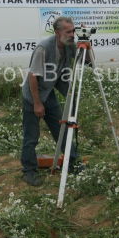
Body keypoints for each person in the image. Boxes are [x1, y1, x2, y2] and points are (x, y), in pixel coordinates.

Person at [21, 16, 81, 186]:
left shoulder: (69, 46)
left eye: (73, 31)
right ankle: (28, 171)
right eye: (68, 31)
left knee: (60, 128)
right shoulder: (44, 48)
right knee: (31, 136)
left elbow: (87, 61)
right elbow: (33, 77)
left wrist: (86, 43)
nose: (72, 34)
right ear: (57, 32)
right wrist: (37, 103)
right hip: (33, 95)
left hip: (49, 93)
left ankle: (73, 163)